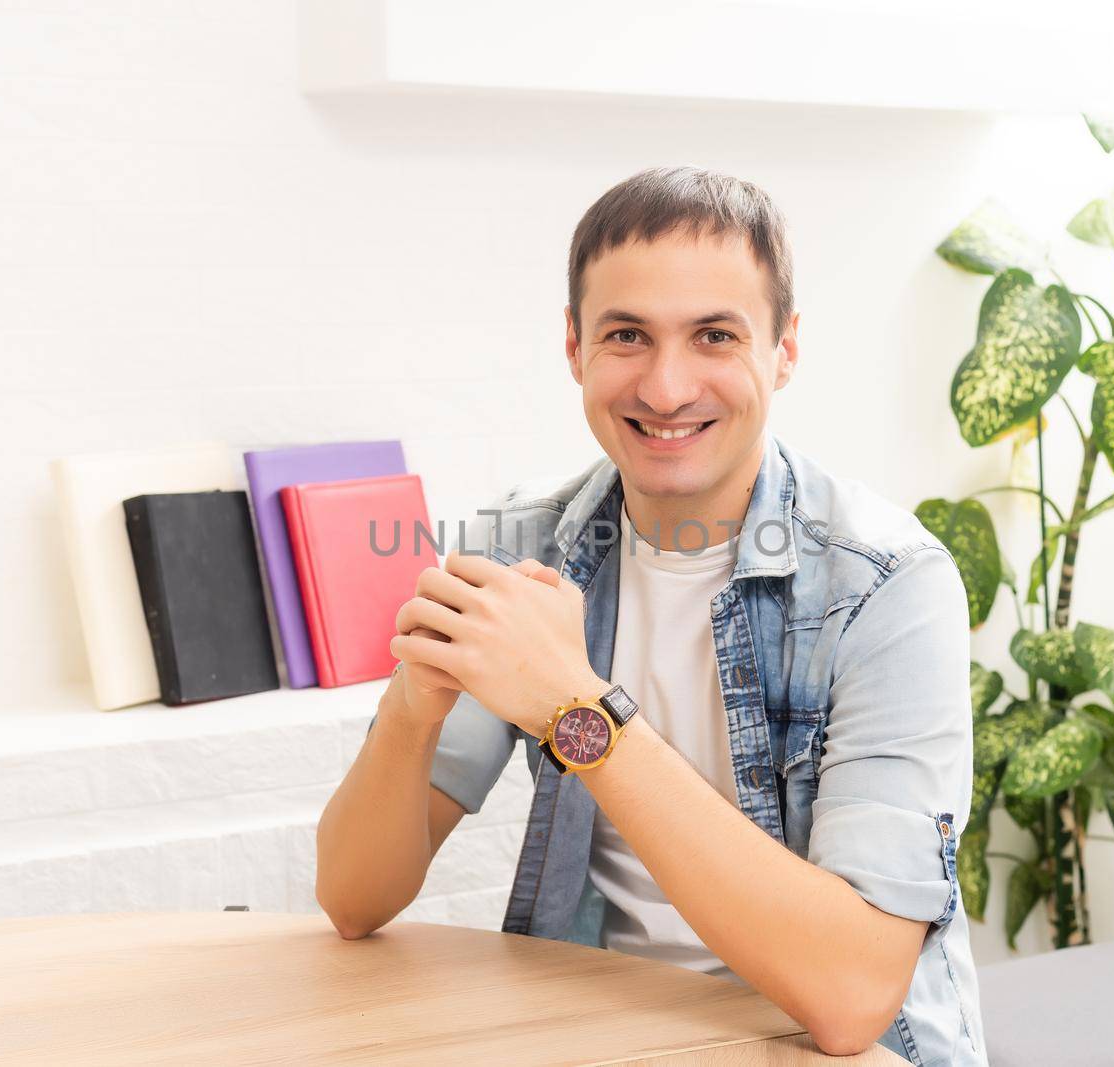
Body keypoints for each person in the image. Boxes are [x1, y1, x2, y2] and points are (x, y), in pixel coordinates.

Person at [316, 165, 986, 1064]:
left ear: (785, 348)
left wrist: (577, 709)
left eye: (714, 335)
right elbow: (354, 899)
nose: (666, 389)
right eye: (627, 335)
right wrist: (414, 701)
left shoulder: (887, 586)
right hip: (599, 1032)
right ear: (574, 348)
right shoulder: (528, 548)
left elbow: (852, 995)